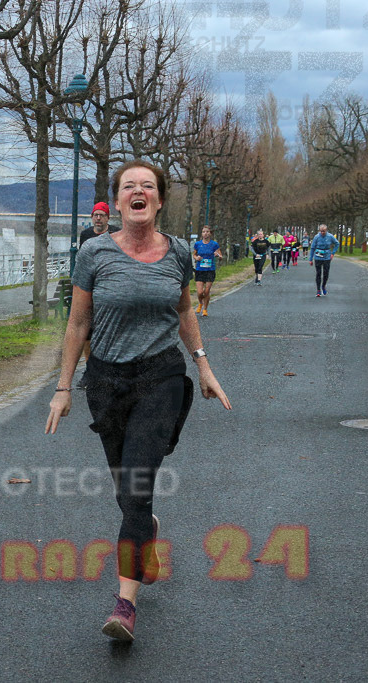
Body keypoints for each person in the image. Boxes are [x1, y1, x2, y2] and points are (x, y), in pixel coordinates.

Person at [45, 159, 232, 643]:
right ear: (119, 199)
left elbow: (184, 310)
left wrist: (203, 366)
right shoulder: (94, 253)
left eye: (147, 186)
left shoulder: (180, 253)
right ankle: (145, 527)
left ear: (160, 199)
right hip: (106, 381)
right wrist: (64, 388)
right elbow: (78, 324)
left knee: (138, 482)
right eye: (130, 186)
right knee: (128, 494)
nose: (138, 191)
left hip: (160, 377)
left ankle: (124, 603)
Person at [75, 202, 116, 388]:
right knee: (87, 333)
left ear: (108, 217)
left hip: (110, 287)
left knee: (110, 330)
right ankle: (90, 370)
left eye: (101, 215)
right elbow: (83, 262)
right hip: (91, 288)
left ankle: (111, 370)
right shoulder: (86, 235)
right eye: (95, 215)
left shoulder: (115, 233)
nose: (98, 218)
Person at [192, 225, 222, 316]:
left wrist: (217, 255)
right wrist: (197, 258)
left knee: (207, 291)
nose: (205, 233)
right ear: (201, 234)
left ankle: (205, 309)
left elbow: (221, 256)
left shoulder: (214, 244)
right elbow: (194, 255)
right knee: (200, 292)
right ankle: (200, 303)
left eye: (207, 232)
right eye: (204, 232)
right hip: (200, 269)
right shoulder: (197, 244)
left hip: (210, 270)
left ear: (210, 233)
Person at [309, 223, 340, 297]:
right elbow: (312, 247)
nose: (322, 233)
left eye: (324, 231)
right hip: (318, 256)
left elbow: (337, 243)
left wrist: (333, 253)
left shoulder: (330, 236)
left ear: (326, 231)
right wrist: (310, 259)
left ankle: (323, 286)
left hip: (327, 256)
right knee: (318, 273)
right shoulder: (316, 237)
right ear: (319, 231)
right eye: (321, 231)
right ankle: (318, 290)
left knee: (326, 273)